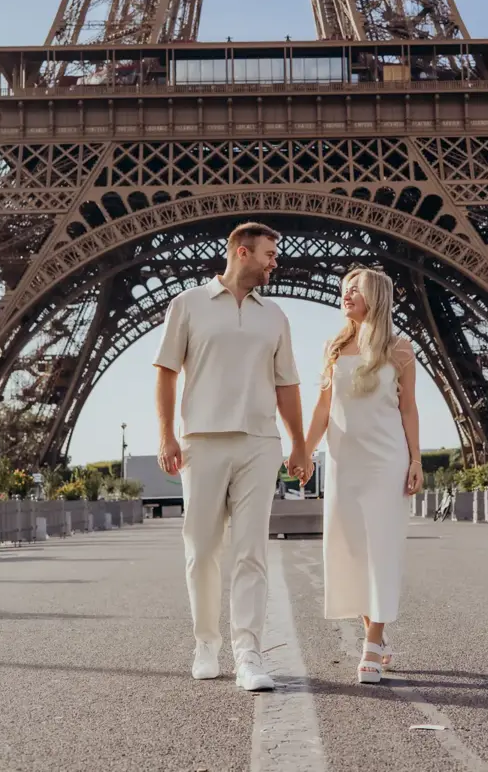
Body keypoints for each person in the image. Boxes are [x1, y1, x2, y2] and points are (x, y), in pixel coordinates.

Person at [154, 222, 308, 692]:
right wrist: (167, 436)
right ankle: (206, 643)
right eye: (268, 255)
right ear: (242, 253)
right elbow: (165, 373)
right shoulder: (187, 305)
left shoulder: (274, 315)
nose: (274, 262)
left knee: (250, 552)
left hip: (259, 442)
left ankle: (248, 653)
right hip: (202, 440)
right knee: (201, 550)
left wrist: (299, 443)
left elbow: (287, 385)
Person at [304, 267, 423, 684]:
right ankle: (374, 628)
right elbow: (322, 409)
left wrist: (416, 460)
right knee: (351, 550)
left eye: (355, 289)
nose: (346, 295)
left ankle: (373, 640)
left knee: (381, 548)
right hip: (342, 462)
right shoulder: (333, 347)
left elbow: (408, 409)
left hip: (385, 461)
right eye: (344, 289)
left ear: (377, 295)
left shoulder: (400, 350)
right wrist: (302, 449)